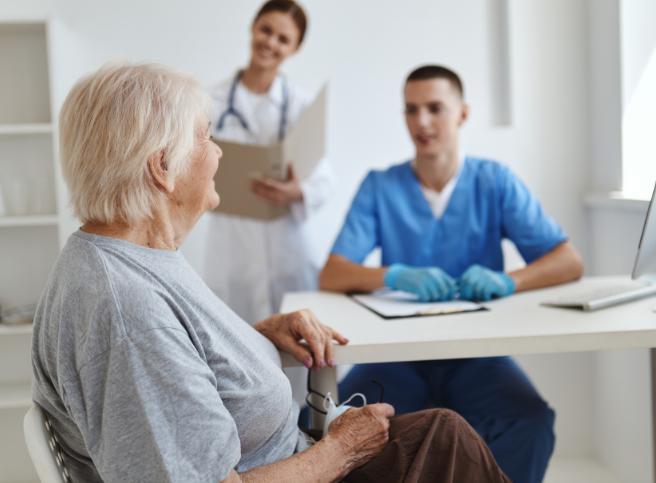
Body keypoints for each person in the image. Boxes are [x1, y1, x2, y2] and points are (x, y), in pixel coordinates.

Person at [31, 59, 513, 483]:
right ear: (162, 167)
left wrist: (255, 338)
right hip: (309, 465)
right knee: (446, 440)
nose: (218, 152)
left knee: (442, 432)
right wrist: (341, 450)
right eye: (205, 135)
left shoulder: (130, 260)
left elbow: (176, 365)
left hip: (295, 454)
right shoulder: (126, 310)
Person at [319, 65, 585, 483]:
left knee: (530, 422)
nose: (421, 121)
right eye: (411, 109)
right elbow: (332, 274)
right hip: (399, 356)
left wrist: (510, 280)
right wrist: (393, 275)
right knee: (327, 426)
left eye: (434, 108)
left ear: (462, 113)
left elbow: (568, 261)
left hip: (478, 356)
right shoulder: (380, 186)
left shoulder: (494, 181)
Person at [205, 0, 334, 325]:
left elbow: (324, 180)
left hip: (287, 245)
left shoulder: (302, 105)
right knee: (235, 344)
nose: (270, 43)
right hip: (233, 244)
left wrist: (296, 191)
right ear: (253, 27)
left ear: (296, 48)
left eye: (283, 38)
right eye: (266, 30)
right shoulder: (210, 102)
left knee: (298, 356)